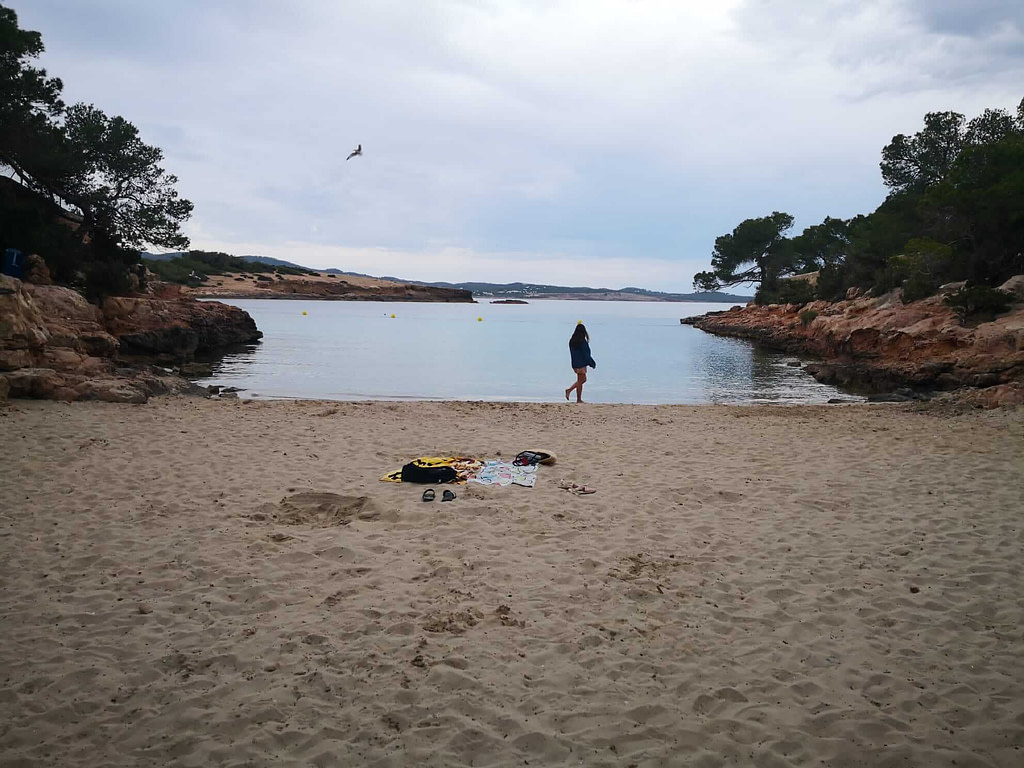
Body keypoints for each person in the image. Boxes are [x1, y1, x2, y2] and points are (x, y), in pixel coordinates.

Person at [565, 322, 596, 403]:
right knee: (580, 381)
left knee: (583, 379)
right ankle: (578, 399)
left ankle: (569, 390)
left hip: (575, 363)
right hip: (581, 363)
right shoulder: (582, 341)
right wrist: (591, 363)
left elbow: (573, 353)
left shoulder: (572, 341)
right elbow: (586, 353)